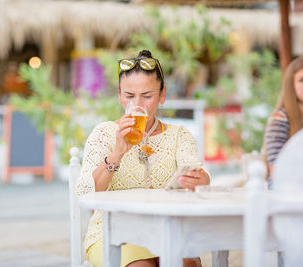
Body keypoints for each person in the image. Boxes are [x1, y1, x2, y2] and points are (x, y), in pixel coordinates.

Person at [76, 50, 210, 267]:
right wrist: (118, 152)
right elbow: (86, 195)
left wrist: (198, 180)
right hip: (114, 232)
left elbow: (199, 175)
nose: (137, 104)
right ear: (120, 95)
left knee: (187, 263)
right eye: (129, 96)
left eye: (147, 96)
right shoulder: (104, 133)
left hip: (167, 228)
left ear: (162, 95)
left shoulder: (179, 135)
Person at [264, 57, 303, 181]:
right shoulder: (279, 120)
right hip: (287, 195)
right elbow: (276, 171)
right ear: (291, 85)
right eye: (302, 80)